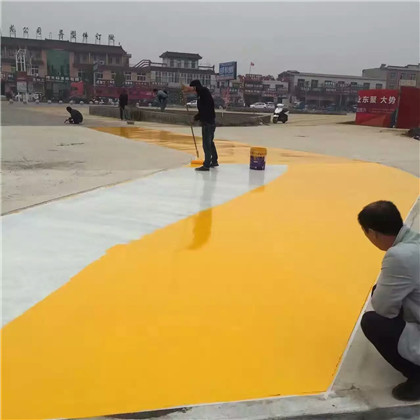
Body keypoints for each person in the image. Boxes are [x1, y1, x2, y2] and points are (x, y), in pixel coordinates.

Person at [358, 201, 420, 401]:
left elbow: (384, 309)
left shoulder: (399, 256)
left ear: (372, 233)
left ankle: (417, 378)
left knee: (373, 322)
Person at [182, 80, 218, 171]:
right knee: (210, 142)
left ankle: (206, 165)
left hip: (208, 122)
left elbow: (205, 109)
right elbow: (203, 110)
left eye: (192, 88)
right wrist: (195, 118)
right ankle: (214, 161)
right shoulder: (201, 95)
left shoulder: (203, 91)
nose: (192, 91)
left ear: (195, 87)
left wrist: (188, 89)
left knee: (206, 144)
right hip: (209, 121)